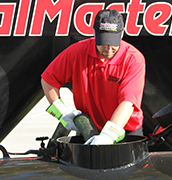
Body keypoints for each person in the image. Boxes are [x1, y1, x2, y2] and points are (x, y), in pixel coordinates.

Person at [41, 9, 146, 145]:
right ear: (94, 33)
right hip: (88, 129)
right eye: (103, 42)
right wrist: (62, 114)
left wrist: (107, 136)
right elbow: (48, 79)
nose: (108, 48)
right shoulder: (77, 52)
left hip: (125, 133)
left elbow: (128, 103)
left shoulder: (133, 59)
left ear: (122, 34)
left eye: (112, 42)